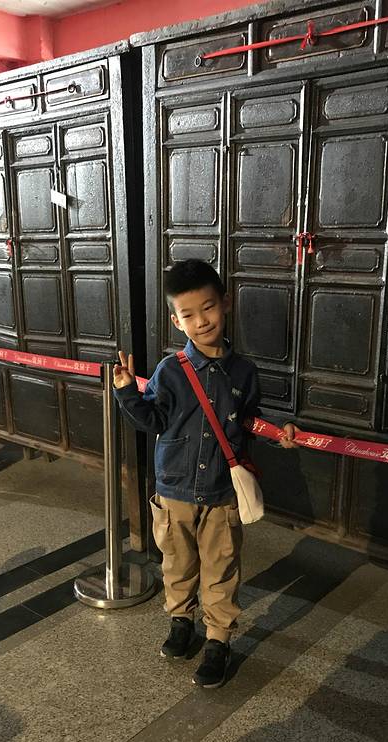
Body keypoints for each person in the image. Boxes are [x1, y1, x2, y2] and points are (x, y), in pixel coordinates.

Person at [113, 259, 296, 688]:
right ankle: (181, 621)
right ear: (177, 321)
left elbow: (250, 420)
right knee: (177, 563)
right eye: (189, 314)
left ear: (225, 303)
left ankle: (218, 640)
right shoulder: (170, 370)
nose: (202, 321)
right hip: (174, 489)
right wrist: (126, 392)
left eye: (209, 308)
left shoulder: (244, 371)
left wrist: (279, 432)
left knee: (221, 567)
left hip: (221, 492)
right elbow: (154, 420)